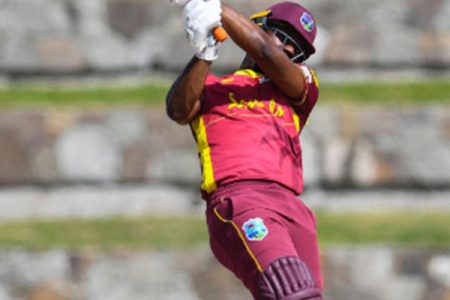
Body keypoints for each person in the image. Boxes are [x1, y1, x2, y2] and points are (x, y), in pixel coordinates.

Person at [166, 1, 323, 299]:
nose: (289, 50)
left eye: (297, 47)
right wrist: (205, 53)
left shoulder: (299, 87)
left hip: (293, 210)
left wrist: (214, 6)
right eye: (283, 36)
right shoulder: (211, 88)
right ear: (258, 27)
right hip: (242, 201)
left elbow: (268, 53)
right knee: (291, 291)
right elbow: (178, 110)